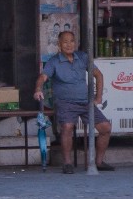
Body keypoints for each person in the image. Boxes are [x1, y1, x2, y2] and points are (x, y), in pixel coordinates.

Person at [41, 30, 112, 174]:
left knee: (106, 128)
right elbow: (42, 78)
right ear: (59, 45)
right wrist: (38, 89)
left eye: (72, 41)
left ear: (76, 43)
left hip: (85, 103)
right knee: (67, 127)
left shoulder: (83, 57)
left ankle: (98, 162)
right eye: (65, 42)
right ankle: (67, 163)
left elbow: (98, 75)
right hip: (65, 103)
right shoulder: (54, 61)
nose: (69, 44)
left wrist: (98, 98)